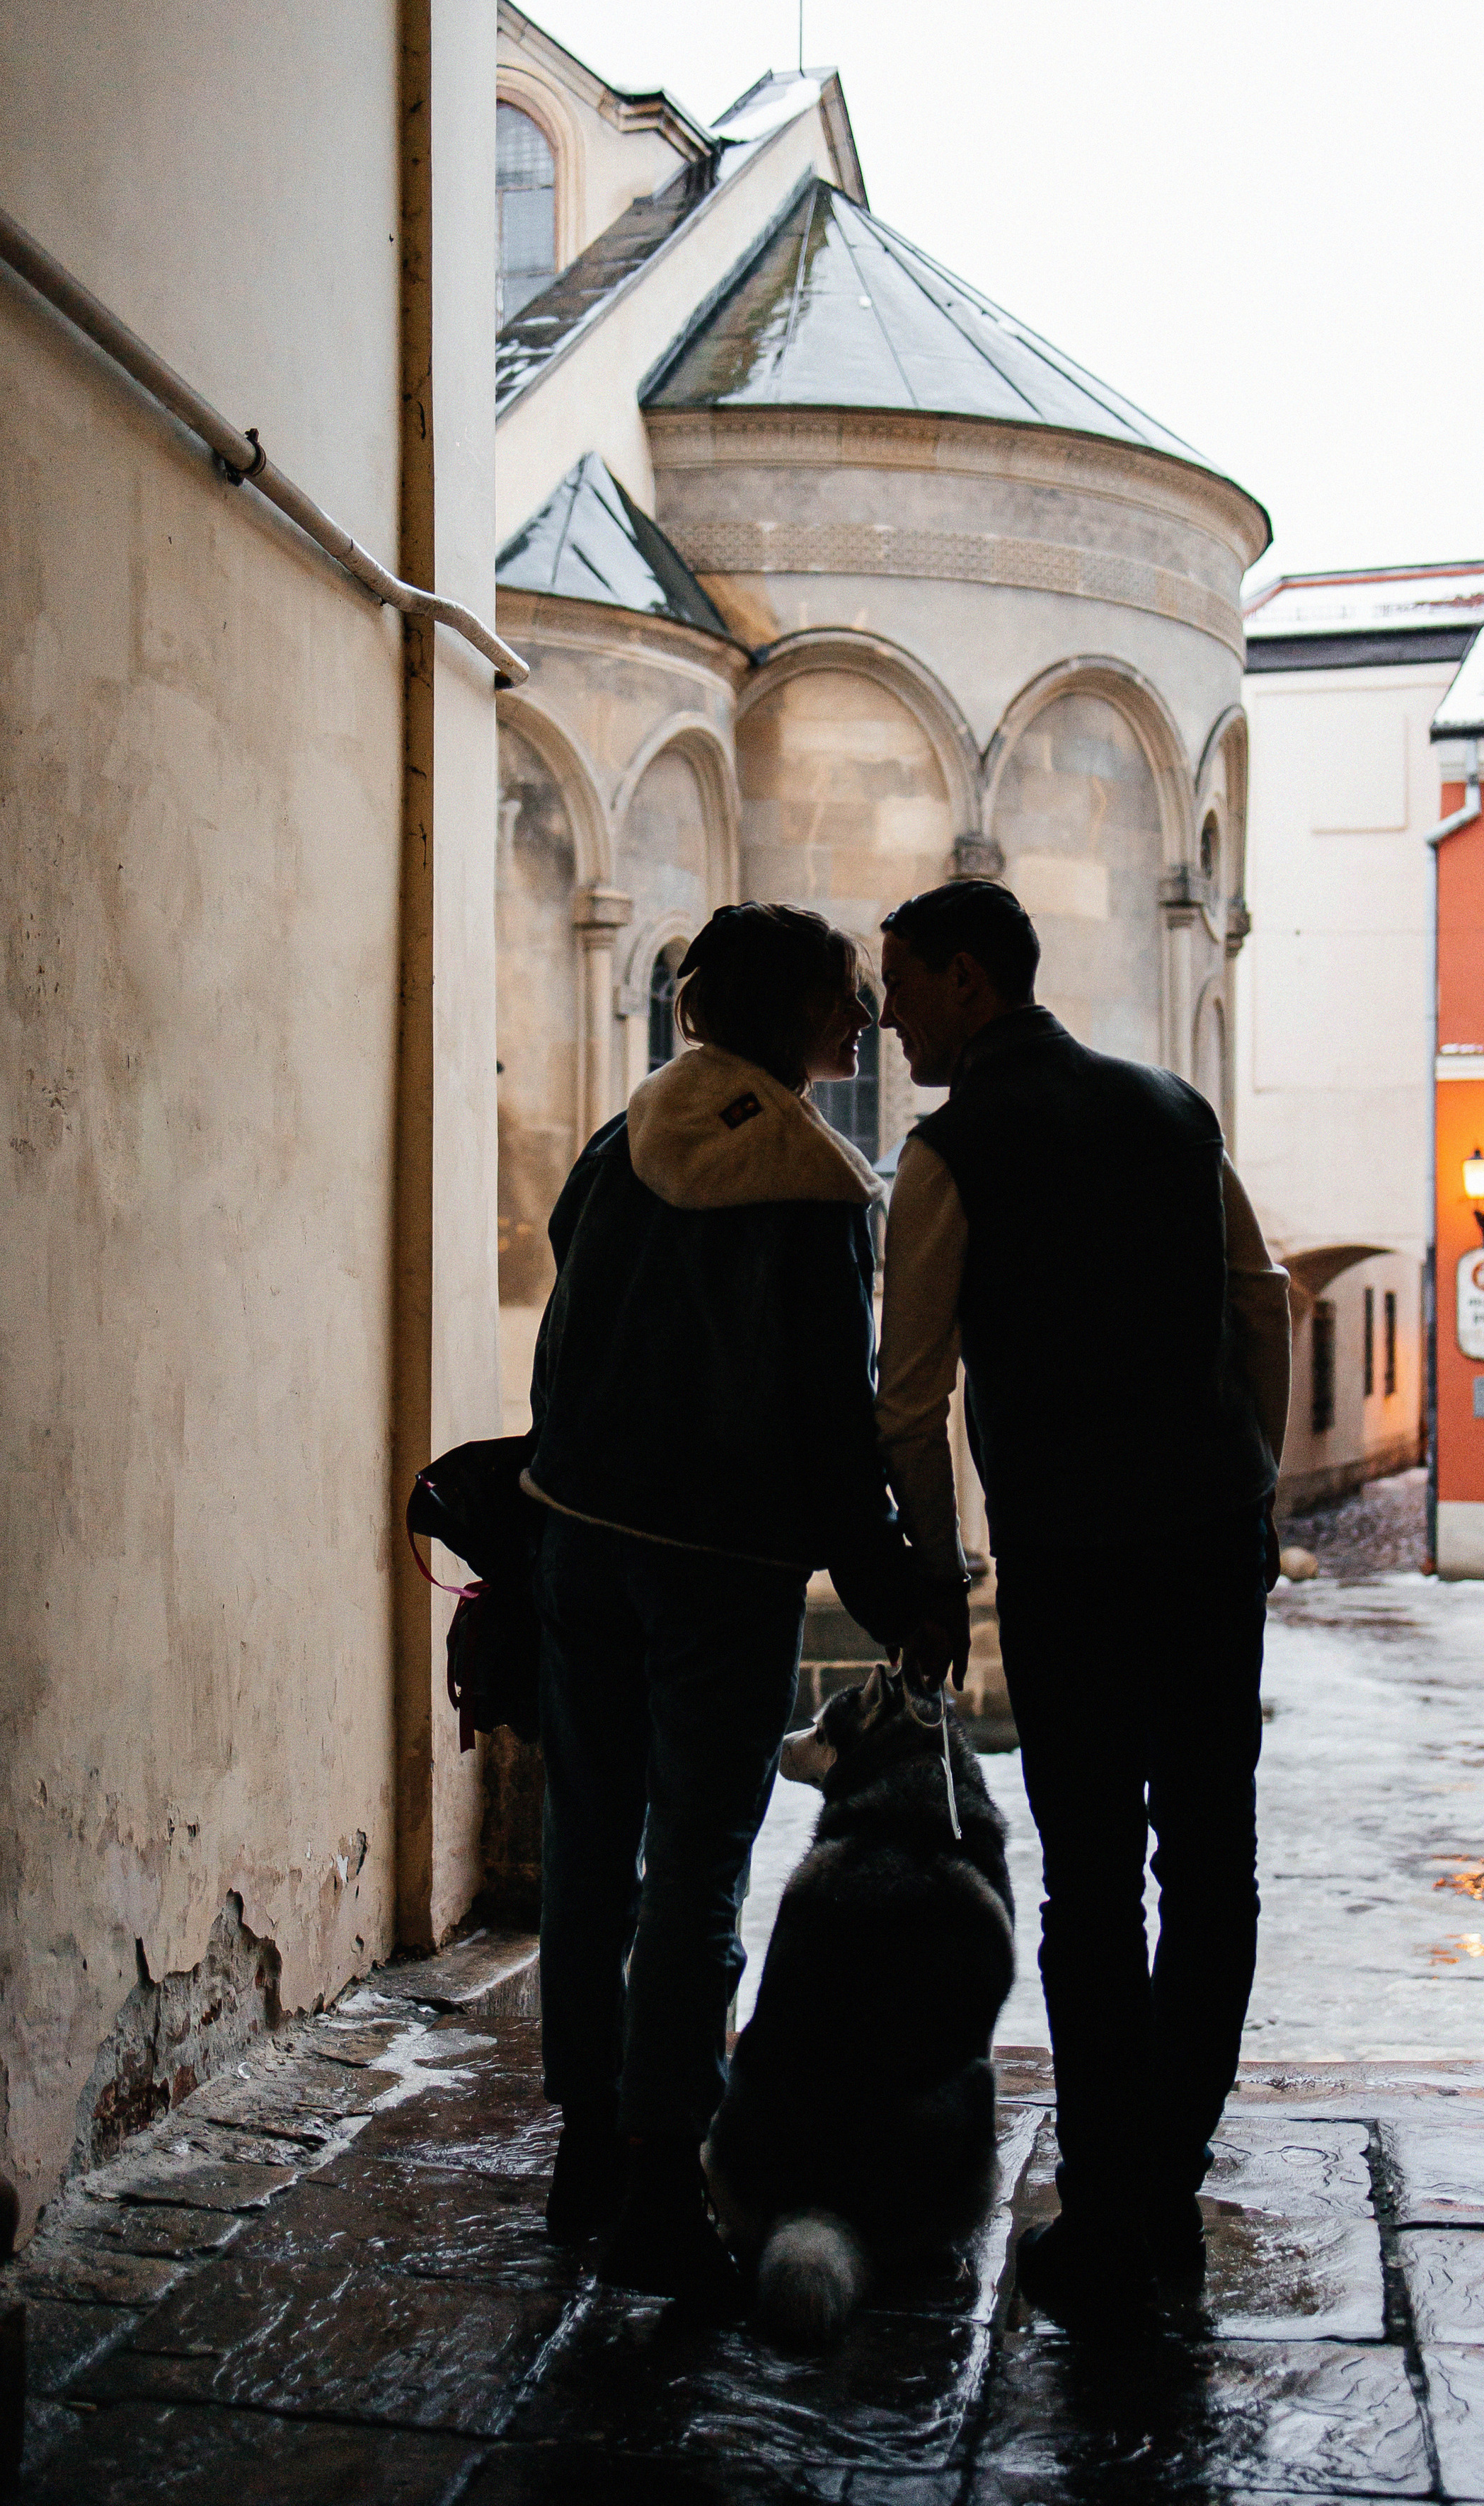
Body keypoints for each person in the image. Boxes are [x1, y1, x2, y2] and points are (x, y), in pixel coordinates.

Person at [522, 902, 957, 2310]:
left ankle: (586, 2146)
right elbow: (834, 1432)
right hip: (720, 1567)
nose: (865, 1021)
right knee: (700, 1862)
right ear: (793, 1015)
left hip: (581, 1541)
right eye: (847, 999)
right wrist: (896, 1589)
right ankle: (661, 2179)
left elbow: (562, 1335)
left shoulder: (619, 1143)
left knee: (588, 1847)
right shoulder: (813, 1187)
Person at [873, 878, 1292, 2312]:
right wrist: (1254, 1487)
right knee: (1214, 1866)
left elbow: (907, 1401)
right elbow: (1259, 1299)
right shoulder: (1174, 1111)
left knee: (1094, 1882)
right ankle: (1162, 2183)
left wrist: (938, 1572)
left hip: (1069, 1560)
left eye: (903, 983)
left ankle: (1113, 2202)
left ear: (969, 978)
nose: (889, 1014)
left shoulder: (947, 1151)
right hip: (1207, 1539)